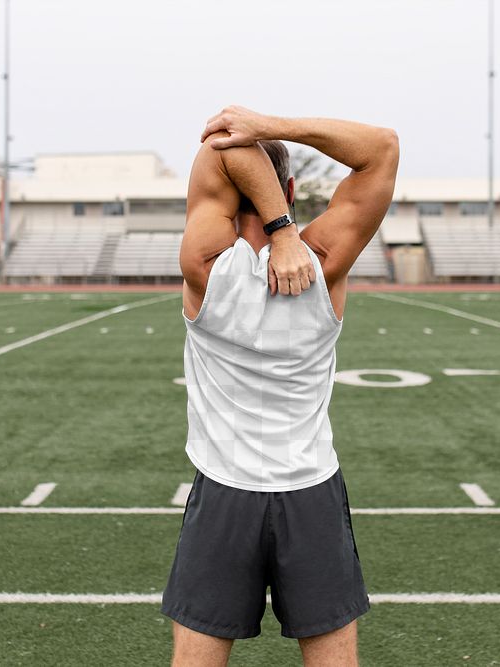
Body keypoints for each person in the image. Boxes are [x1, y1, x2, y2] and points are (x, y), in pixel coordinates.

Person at [162, 106, 399, 667]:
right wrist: (273, 131)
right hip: (310, 489)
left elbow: (220, 140)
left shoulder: (204, 265)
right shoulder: (324, 262)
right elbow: (382, 146)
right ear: (291, 187)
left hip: (224, 490)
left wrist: (275, 226)